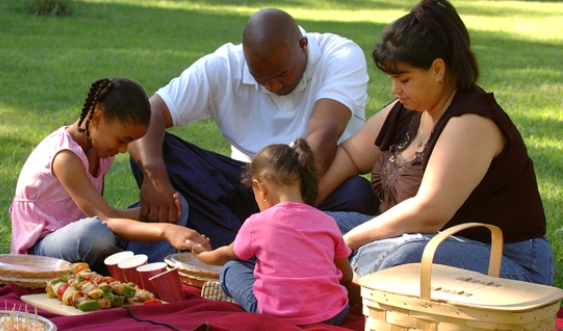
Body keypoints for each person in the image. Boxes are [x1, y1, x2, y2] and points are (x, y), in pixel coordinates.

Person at [320, 0, 554, 286]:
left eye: (403, 78)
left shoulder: (472, 122)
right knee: (309, 229)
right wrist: (303, 206)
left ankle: (327, 284)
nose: (395, 90)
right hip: (419, 239)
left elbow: (430, 213)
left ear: (438, 69)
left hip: (507, 261)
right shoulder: (407, 108)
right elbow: (351, 156)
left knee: (399, 257)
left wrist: (349, 241)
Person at [128, 8, 380, 249]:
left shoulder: (340, 55)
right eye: (260, 78)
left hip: (310, 187)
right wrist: (155, 179)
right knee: (156, 150)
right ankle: (247, 244)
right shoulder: (224, 65)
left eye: (282, 74)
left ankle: (243, 242)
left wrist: (286, 207)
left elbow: (324, 134)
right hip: (248, 184)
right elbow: (150, 114)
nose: (272, 86)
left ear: (303, 46)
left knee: (358, 194)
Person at [10, 78, 210, 275]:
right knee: (96, 234)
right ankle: (128, 269)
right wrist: (165, 230)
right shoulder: (65, 157)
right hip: (42, 249)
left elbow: (103, 214)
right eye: (122, 140)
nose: (123, 149)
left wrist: (157, 213)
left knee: (173, 207)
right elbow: (105, 220)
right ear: (97, 119)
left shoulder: (100, 150)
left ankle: (140, 270)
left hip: (89, 229)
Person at [190, 138, 355, 326]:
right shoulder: (327, 222)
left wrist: (202, 254)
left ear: (260, 188)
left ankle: (238, 296)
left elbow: (226, 255)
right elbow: (346, 276)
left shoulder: (257, 223)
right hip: (333, 315)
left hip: (277, 316)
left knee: (231, 269)